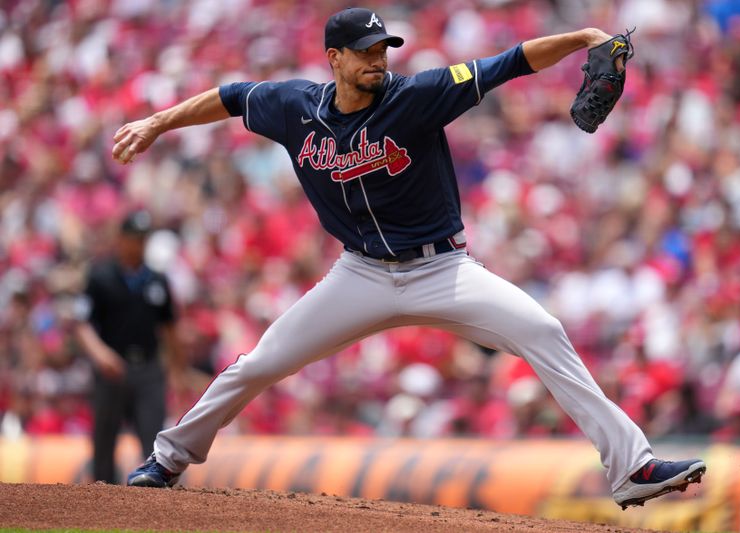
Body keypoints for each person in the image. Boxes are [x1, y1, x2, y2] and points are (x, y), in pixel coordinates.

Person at [119, 8, 706, 509]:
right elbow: (228, 97)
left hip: (442, 270)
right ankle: (168, 458)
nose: (379, 58)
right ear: (334, 58)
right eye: (366, 51)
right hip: (360, 273)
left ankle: (631, 468)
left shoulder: (418, 95)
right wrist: (157, 122)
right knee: (260, 363)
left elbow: (513, 60)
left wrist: (582, 38)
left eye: (383, 48)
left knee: (543, 330)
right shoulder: (293, 106)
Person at [75, 210, 183, 483]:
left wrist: (176, 371)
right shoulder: (100, 276)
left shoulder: (157, 280)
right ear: (122, 239)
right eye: (135, 238)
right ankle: (101, 506)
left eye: (144, 239)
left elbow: (170, 330)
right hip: (112, 370)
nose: (140, 244)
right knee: (104, 442)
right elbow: (82, 323)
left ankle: (153, 507)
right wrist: (100, 354)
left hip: (148, 370)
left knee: (153, 441)